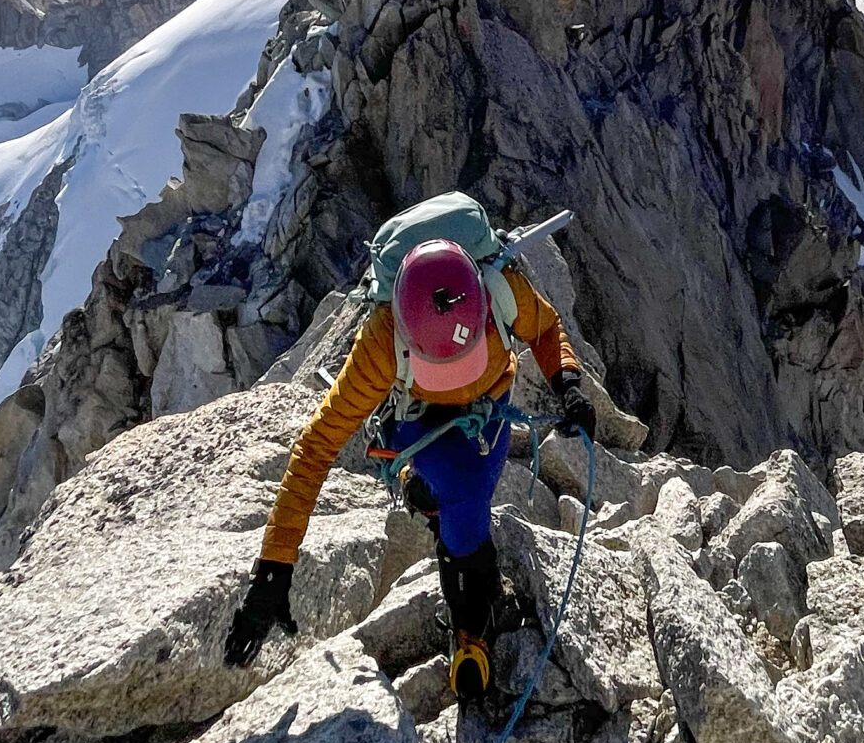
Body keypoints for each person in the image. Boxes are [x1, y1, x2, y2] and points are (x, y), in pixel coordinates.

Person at [224, 211, 595, 701]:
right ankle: (471, 627)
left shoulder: (502, 290)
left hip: (488, 412)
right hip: (422, 421)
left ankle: (433, 507)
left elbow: (547, 331)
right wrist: (274, 568)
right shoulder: (381, 342)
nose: (455, 373)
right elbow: (315, 447)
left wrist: (566, 382)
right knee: (463, 500)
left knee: (468, 491)